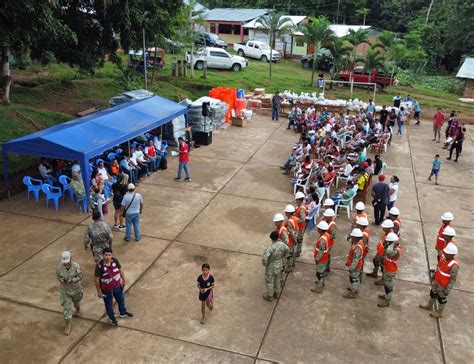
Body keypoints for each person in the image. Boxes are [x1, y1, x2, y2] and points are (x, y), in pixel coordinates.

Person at [419, 243, 459, 318]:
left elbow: (453, 279)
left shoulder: (454, 266)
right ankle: (430, 305)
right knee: (433, 293)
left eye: (447, 253)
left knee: (441, 298)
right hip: (437, 281)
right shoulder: (444, 259)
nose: (445, 253)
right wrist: (434, 274)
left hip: (443, 285)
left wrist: (448, 289)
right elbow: (439, 268)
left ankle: (439, 312)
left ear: (452, 255)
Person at [95, 247, 133, 326]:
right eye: (106, 255)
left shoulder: (115, 261)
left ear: (111, 255)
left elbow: (120, 270)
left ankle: (122, 312)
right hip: (106, 289)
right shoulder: (99, 266)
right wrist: (99, 291)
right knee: (109, 304)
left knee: (121, 299)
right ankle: (111, 317)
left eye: (109, 255)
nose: (107, 257)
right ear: (103, 255)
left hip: (117, 286)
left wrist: (123, 280)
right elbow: (97, 280)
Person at [56, 251, 83, 335]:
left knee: (76, 301)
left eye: (67, 261)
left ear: (71, 258)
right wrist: (60, 279)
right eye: (64, 261)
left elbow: (80, 276)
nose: (65, 263)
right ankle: (68, 324)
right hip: (65, 290)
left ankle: (78, 309)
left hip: (76, 289)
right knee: (67, 308)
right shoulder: (59, 267)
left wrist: (72, 279)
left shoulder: (76, 266)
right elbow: (57, 276)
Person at [262, 231, 290, 301]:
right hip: (279, 264)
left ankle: (270, 296)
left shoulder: (270, 248)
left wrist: (266, 264)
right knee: (277, 279)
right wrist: (283, 257)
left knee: (270, 281)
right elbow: (287, 250)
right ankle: (277, 293)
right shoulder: (283, 245)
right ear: (278, 237)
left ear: (271, 238)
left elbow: (265, 259)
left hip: (271, 266)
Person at [377, 232, 401, 307]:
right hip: (387, 267)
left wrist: (390, 244)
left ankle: (387, 301)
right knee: (386, 284)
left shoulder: (396, 250)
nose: (388, 242)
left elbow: (388, 251)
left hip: (390, 270)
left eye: (389, 241)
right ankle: (386, 296)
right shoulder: (393, 246)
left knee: (389, 286)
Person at [343, 228, 365, 299]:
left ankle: (353, 292)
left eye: (353, 236)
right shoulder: (358, 242)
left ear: (356, 237)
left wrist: (351, 268)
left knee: (354, 278)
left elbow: (356, 260)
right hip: (354, 264)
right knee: (354, 278)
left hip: (356, 266)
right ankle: (354, 288)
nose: (352, 237)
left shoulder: (358, 247)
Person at [311, 221, 330, 293]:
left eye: (318, 228)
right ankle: (321, 283)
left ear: (321, 229)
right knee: (322, 272)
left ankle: (319, 287)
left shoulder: (322, 240)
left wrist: (317, 259)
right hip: (324, 258)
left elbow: (321, 251)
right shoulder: (326, 235)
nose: (317, 229)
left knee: (320, 273)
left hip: (321, 259)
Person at [283, 204, 299, 272]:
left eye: (286, 212)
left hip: (290, 240)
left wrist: (294, 241)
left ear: (289, 213)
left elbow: (291, 233)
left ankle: (289, 267)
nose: (285, 213)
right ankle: (292, 263)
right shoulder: (294, 218)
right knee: (292, 252)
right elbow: (297, 229)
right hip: (294, 237)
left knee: (289, 254)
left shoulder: (289, 222)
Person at [294, 191, 307, 258]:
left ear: (299, 200)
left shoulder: (302, 209)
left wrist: (294, 219)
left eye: (296, 199)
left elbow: (302, 219)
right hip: (299, 226)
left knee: (299, 239)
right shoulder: (301, 205)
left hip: (300, 227)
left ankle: (298, 251)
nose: (295, 200)